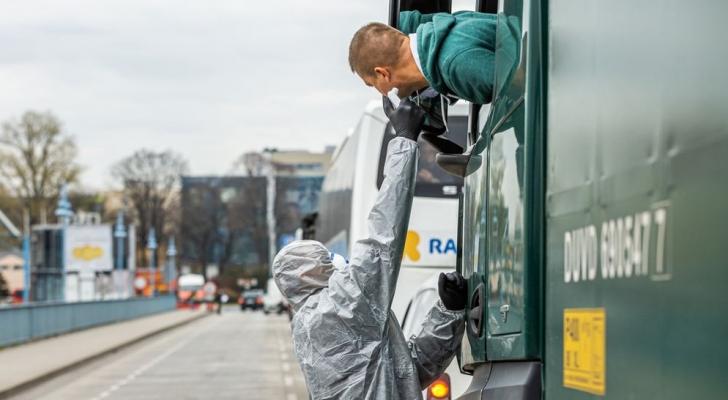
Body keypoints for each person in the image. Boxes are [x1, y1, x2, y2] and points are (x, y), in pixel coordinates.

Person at [273, 97, 467, 399]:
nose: (335, 262)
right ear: (309, 272)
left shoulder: (317, 322)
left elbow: (407, 373)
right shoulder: (338, 306)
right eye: (324, 259)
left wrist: (449, 311)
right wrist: (403, 141)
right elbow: (383, 236)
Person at [348, 10, 497, 105]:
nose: (381, 93)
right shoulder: (446, 30)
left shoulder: (454, 65)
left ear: (382, 73)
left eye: (373, 84)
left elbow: (519, 94)